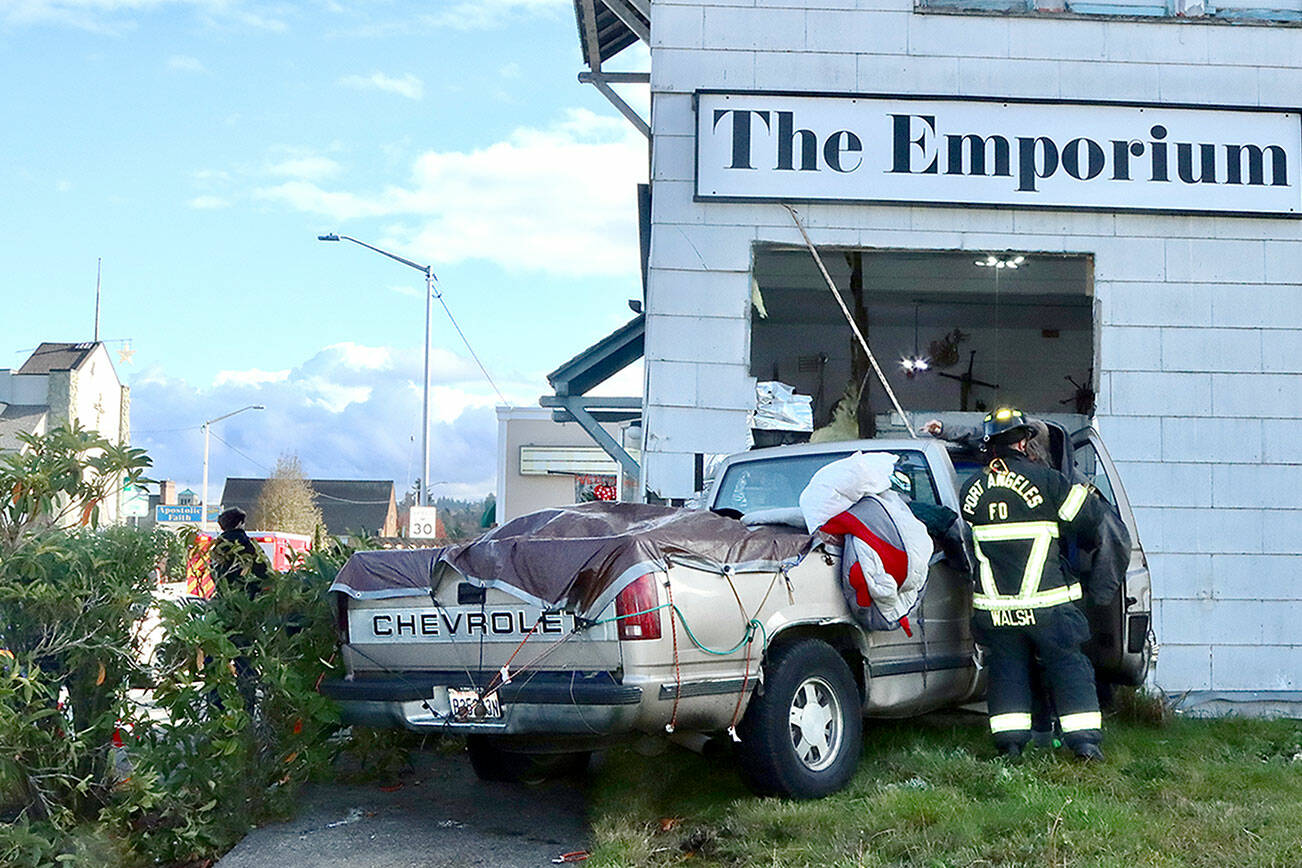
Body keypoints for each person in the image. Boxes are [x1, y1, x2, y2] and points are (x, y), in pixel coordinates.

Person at [959, 408, 1109, 761]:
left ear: (990, 446)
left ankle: (1010, 745)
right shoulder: (1047, 481)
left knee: (1008, 672)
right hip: (1048, 606)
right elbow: (1089, 518)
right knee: (1068, 666)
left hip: (996, 612)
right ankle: (1084, 743)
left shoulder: (971, 489)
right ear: (1024, 442)